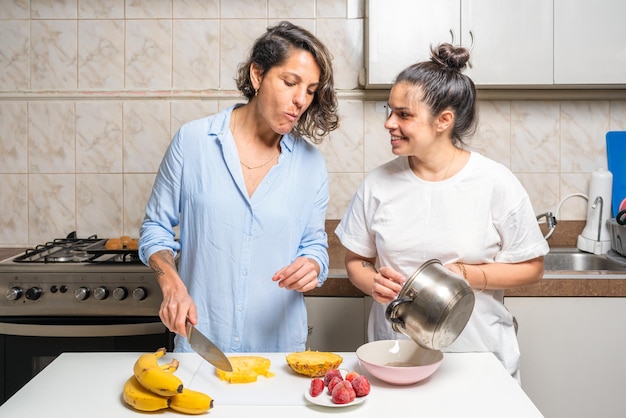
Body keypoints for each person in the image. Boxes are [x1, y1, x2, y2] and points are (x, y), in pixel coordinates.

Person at [335, 43, 549, 382]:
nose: (390, 123)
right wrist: (372, 281)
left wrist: (467, 273)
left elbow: (532, 267)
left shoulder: (495, 183)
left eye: (404, 114)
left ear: (443, 121)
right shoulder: (377, 183)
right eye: (389, 110)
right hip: (396, 359)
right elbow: (355, 260)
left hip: (478, 360)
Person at [138, 21, 339, 354]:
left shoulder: (311, 164)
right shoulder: (193, 142)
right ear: (257, 75)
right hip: (203, 342)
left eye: (311, 89)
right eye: (290, 82)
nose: (301, 99)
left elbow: (314, 243)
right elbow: (154, 232)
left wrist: (314, 265)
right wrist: (171, 284)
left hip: (279, 351)